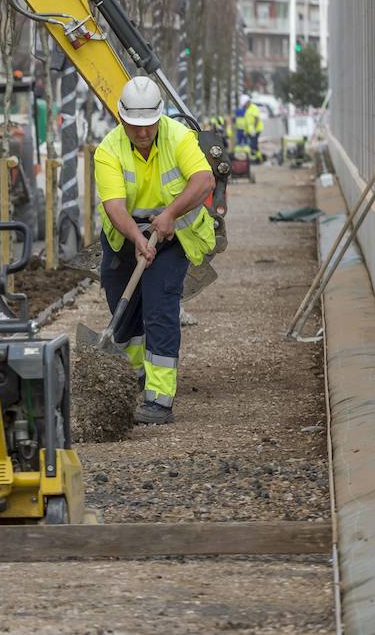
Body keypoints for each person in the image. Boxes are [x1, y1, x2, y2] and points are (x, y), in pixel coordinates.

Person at [94, 76, 217, 425]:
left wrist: (169, 217)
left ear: (159, 118)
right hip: (125, 234)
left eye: (148, 125)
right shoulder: (108, 150)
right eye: (135, 126)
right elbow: (114, 205)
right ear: (122, 119)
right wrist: (136, 237)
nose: (143, 133)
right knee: (126, 307)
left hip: (173, 235)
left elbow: (204, 180)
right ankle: (135, 379)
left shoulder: (179, 137)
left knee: (159, 307)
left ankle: (159, 400)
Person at [239, 94, 264, 160]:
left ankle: (257, 158)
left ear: (247, 102)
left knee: (253, 144)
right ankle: (257, 157)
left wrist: (254, 129)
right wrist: (245, 132)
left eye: (244, 104)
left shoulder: (254, 107)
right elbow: (247, 123)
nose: (244, 106)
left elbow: (256, 119)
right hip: (250, 131)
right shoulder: (247, 110)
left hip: (256, 130)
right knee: (253, 145)